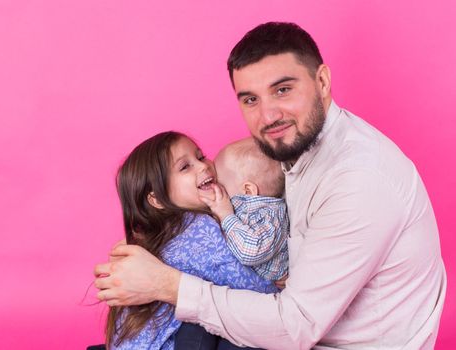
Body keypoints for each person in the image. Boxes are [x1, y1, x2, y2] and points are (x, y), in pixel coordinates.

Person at [95, 22, 446, 349]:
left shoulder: (359, 179)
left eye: (282, 89)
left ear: (322, 82)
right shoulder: (290, 153)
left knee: (201, 322)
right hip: (298, 330)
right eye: (251, 99)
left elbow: (296, 326)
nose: (268, 116)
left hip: (317, 339)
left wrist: (164, 282)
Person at [106, 130, 277, 350]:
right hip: (170, 344)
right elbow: (250, 287)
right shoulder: (199, 229)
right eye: (185, 167)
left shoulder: (165, 234)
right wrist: (282, 286)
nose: (203, 166)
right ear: (157, 199)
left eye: (200, 156)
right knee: (232, 328)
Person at [200, 137, 289, 281]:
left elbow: (251, 252)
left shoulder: (269, 215)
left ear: (247, 190)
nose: (216, 190)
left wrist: (226, 216)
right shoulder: (253, 210)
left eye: (221, 185)